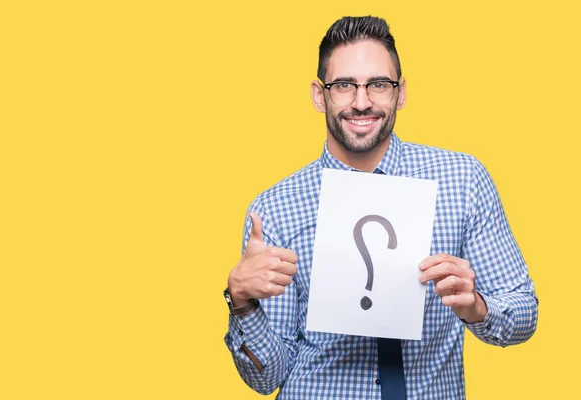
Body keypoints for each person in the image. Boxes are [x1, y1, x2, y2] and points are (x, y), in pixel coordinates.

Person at [223, 16, 538, 399]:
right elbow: (266, 377)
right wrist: (242, 303)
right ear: (319, 95)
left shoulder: (463, 180)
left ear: (400, 92)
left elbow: (524, 312)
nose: (361, 102)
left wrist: (477, 306)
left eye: (377, 84)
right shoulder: (274, 210)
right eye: (343, 85)